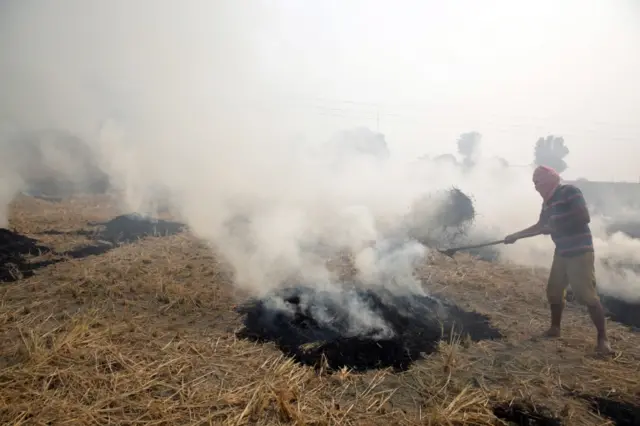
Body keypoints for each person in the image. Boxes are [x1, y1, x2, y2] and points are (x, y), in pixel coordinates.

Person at [504, 165, 613, 355]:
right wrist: (516, 235)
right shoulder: (547, 203)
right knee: (554, 291)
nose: (536, 187)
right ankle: (555, 329)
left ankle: (603, 339)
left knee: (586, 295)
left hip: (579, 252)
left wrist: (556, 227)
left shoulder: (570, 192)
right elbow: (540, 226)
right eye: (534, 183)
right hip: (562, 252)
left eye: (538, 182)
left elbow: (583, 217)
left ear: (549, 180)